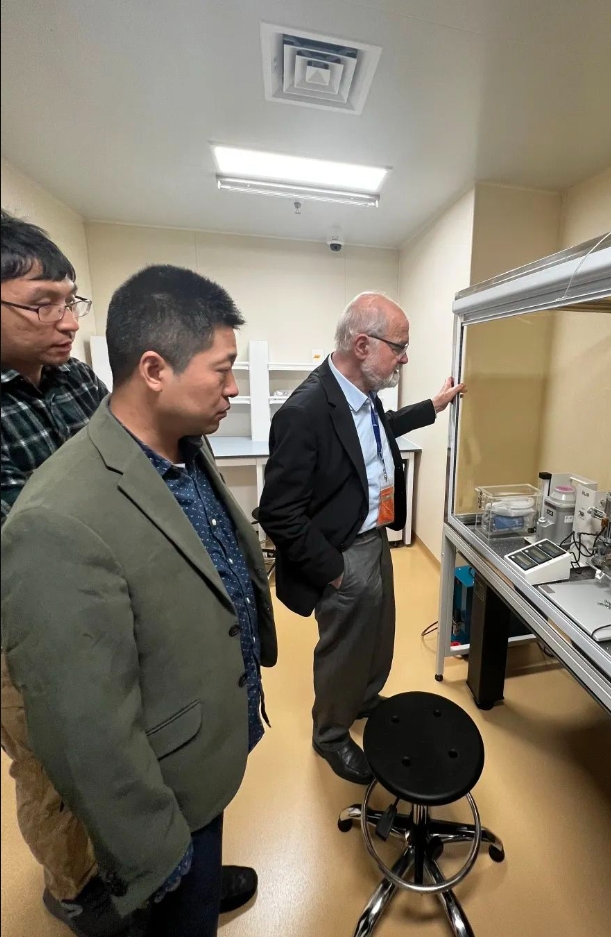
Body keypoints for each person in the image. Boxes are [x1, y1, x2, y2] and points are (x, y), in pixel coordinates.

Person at [2, 264, 278, 937]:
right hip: (160, 781)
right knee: (178, 903)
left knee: (200, 857)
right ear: (154, 370)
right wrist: (152, 848)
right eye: (222, 370)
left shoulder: (178, 440)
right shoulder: (55, 518)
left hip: (200, 741)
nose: (233, 387)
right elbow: (85, 728)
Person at [258, 292, 464, 784]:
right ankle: (330, 734)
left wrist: (432, 407)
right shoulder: (304, 411)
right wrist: (333, 571)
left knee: (377, 636)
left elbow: (377, 431)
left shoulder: (361, 394)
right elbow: (278, 513)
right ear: (363, 345)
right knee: (344, 650)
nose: (405, 358)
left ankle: (365, 698)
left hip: (373, 540)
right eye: (400, 347)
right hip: (341, 553)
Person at [0, 210, 127, 936]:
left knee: (114, 738)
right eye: (41, 303)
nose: (68, 321)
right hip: (22, 633)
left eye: (70, 299)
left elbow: (122, 460)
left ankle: (134, 863)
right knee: (48, 766)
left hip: (103, 603)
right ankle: (73, 889)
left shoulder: (75, 377)